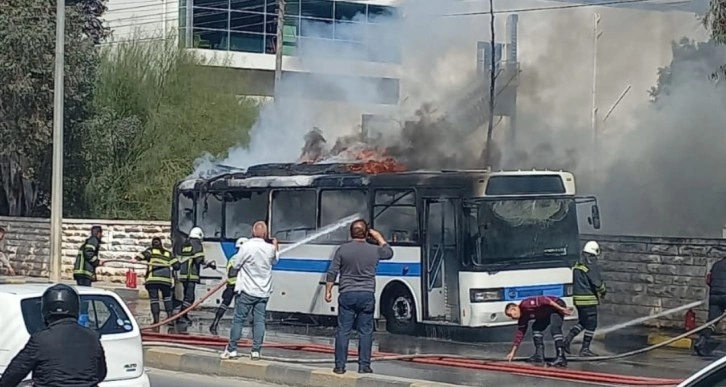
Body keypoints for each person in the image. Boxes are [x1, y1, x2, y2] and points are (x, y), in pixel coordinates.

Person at [0, 283, 107, 387]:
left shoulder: (40, 340)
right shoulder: (92, 337)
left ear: (45, 309)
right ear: (76, 308)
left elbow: (14, 372)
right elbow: (101, 373)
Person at [325, 219, 394, 375]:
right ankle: (364, 366)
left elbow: (332, 272)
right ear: (366, 233)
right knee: (365, 332)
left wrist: (328, 291)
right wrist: (378, 237)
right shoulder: (374, 250)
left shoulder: (342, 250)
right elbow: (389, 253)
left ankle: (340, 366)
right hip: (366, 294)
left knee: (343, 331)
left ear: (350, 233)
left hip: (347, 294)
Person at [221, 222, 279, 360]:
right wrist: (276, 246)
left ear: (252, 232)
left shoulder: (246, 246)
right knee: (259, 321)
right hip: (264, 291)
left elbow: (236, 264)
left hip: (247, 290)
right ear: (265, 234)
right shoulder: (270, 248)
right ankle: (256, 351)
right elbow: (275, 261)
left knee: (239, 319)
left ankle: (232, 349)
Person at [563, 241, 607, 357]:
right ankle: (585, 349)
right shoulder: (590, 265)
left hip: (578, 300)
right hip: (588, 300)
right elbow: (597, 283)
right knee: (592, 324)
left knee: (583, 322)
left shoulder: (578, 265)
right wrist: (603, 291)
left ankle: (567, 341)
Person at [505, 295, 572, 367]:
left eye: (510, 315)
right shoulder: (523, 317)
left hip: (556, 305)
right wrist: (512, 352)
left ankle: (561, 357)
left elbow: (545, 300)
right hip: (547, 313)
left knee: (555, 328)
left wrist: (561, 309)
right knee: (536, 327)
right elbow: (520, 334)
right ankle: (539, 355)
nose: (512, 317)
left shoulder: (525, 304)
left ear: (513, 309)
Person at [134, 237, 180, 328]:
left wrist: (135, 259)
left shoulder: (151, 251)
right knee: (167, 298)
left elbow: (142, 256)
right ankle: (170, 319)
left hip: (153, 280)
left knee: (154, 299)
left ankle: (156, 321)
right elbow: (177, 266)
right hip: (165, 280)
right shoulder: (168, 253)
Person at [210, 237, 248, 336]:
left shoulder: (232, 258)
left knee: (224, 304)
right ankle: (237, 329)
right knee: (240, 307)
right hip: (240, 285)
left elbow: (228, 271)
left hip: (231, 284)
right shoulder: (246, 258)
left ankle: (215, 323)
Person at [177, 226, 216, 324]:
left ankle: (183, 316)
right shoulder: (196, 243)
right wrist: (209, 264)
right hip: (191, 274)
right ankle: (180, 316)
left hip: (183, 274)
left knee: (186, 296)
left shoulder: (186, 243)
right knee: (190, 298)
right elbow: (199, 259)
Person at [694, 255, 726, 356]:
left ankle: (702, 341)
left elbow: (708, 280)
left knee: (712, 322)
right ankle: (722, 349)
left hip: (714, 297)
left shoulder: (716, 265)